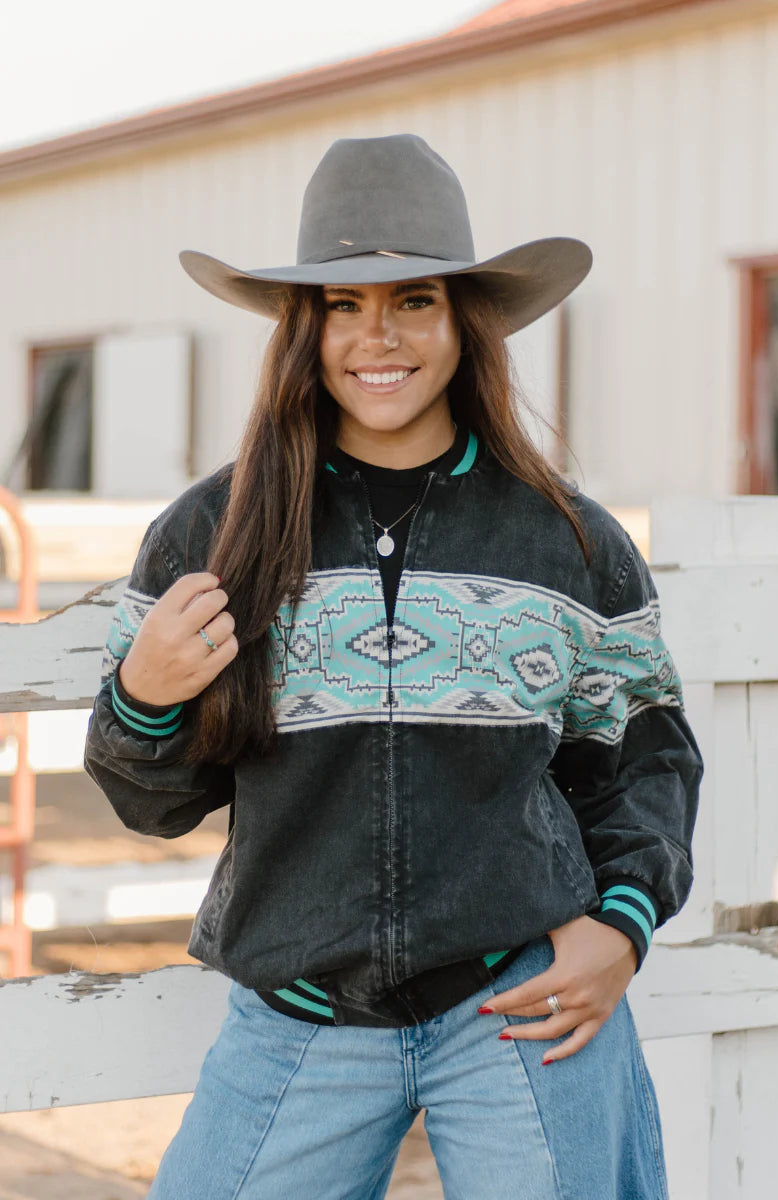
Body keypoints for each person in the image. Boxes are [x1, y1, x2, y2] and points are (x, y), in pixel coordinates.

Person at [84, 134, 702, 1199]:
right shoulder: (212, 534)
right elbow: (152, 804)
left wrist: (620, 927)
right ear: (304, 328)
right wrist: (145, 699)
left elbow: (645, 758)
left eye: (414, 300)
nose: (379, 336)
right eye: (343, 305)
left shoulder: (569, 541)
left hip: (523, 1001)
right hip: (298, 1020)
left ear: (464, 321)